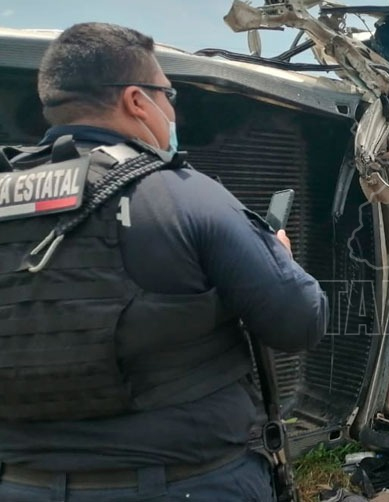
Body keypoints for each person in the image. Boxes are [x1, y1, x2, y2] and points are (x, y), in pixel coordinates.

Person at [0, 22, 328, 501]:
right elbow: (299, 322)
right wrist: (281, 259)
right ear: (137, 100)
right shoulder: (182, 196)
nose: (171, 110)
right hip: (189, 483)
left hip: (22, 484)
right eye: (168, 95)